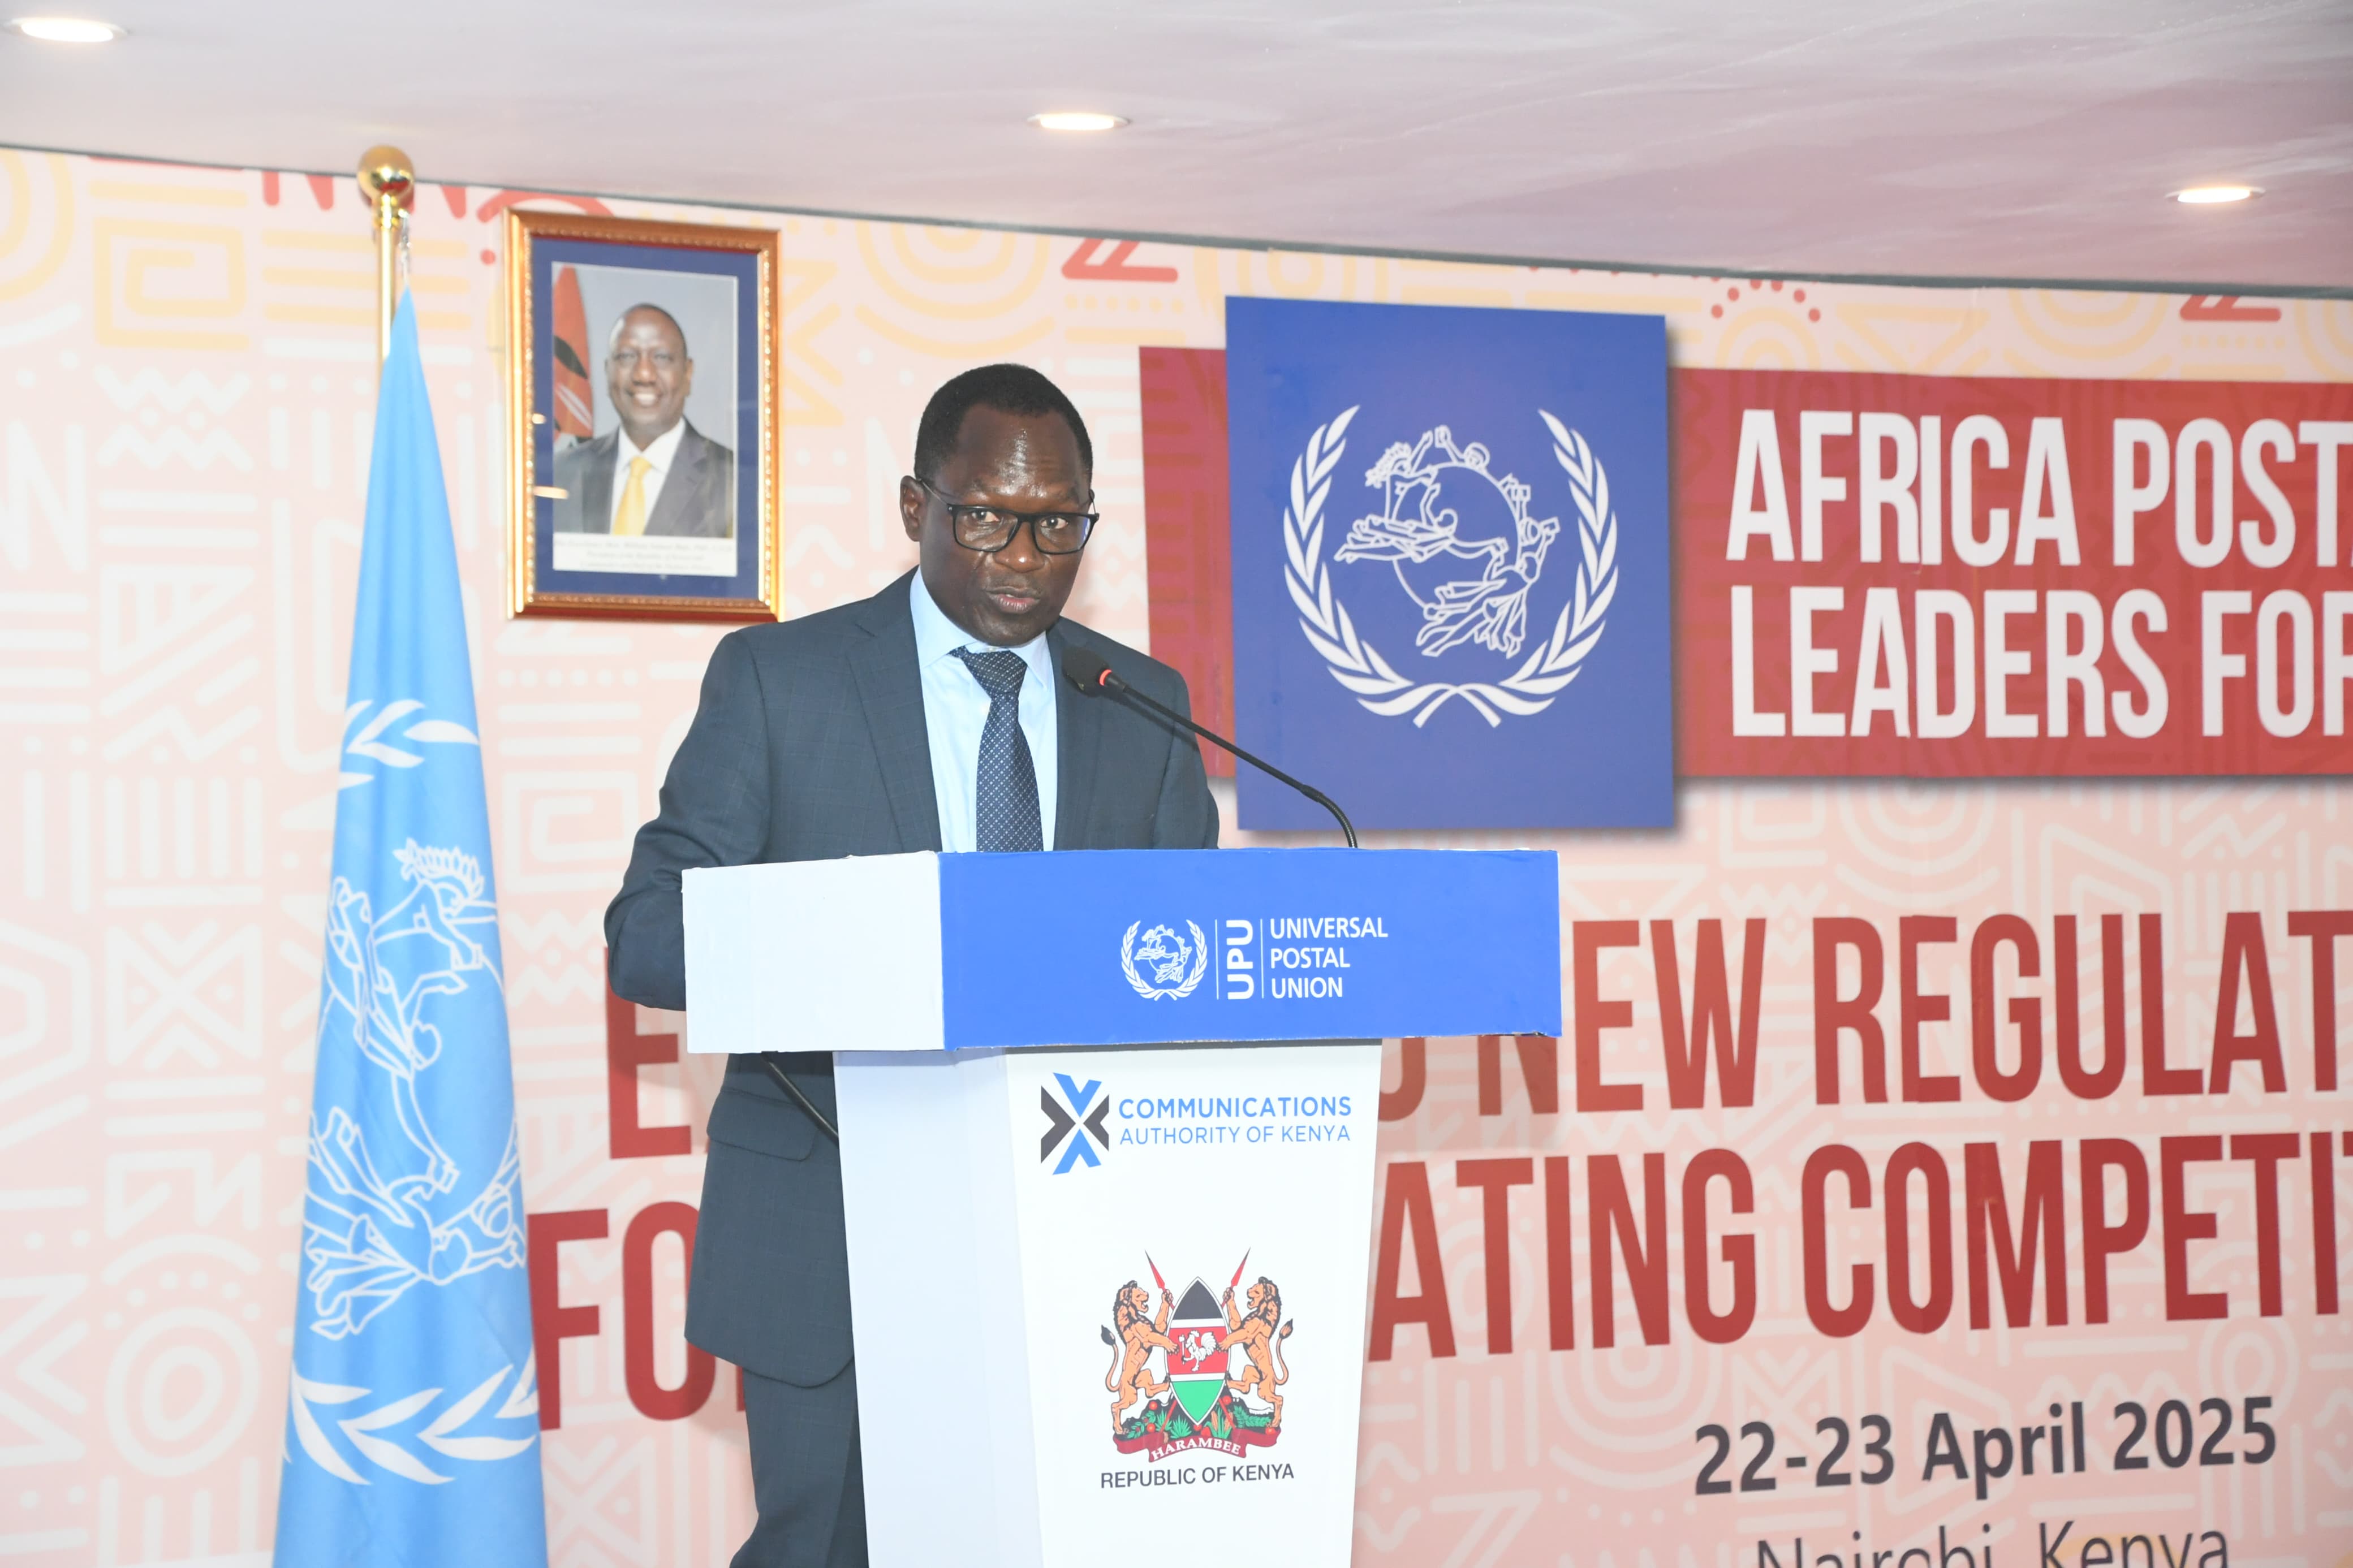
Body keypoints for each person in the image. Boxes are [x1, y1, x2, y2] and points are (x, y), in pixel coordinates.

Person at [604, 363, 1219, 1567]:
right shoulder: (782, 681)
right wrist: (876, 945)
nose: (1023, 557)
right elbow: (651, 930)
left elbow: (1189, 966)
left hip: (1079, 1240)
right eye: (985, 517)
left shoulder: (1139, 701)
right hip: (832, 1238)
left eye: (1059, 525)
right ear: (913, 507)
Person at [553, 303, 736, 539]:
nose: (644, 374)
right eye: (627, 356)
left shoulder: (734, 480)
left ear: (687, 373)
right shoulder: (561, 473)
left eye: (662, 357)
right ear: (608, 371)